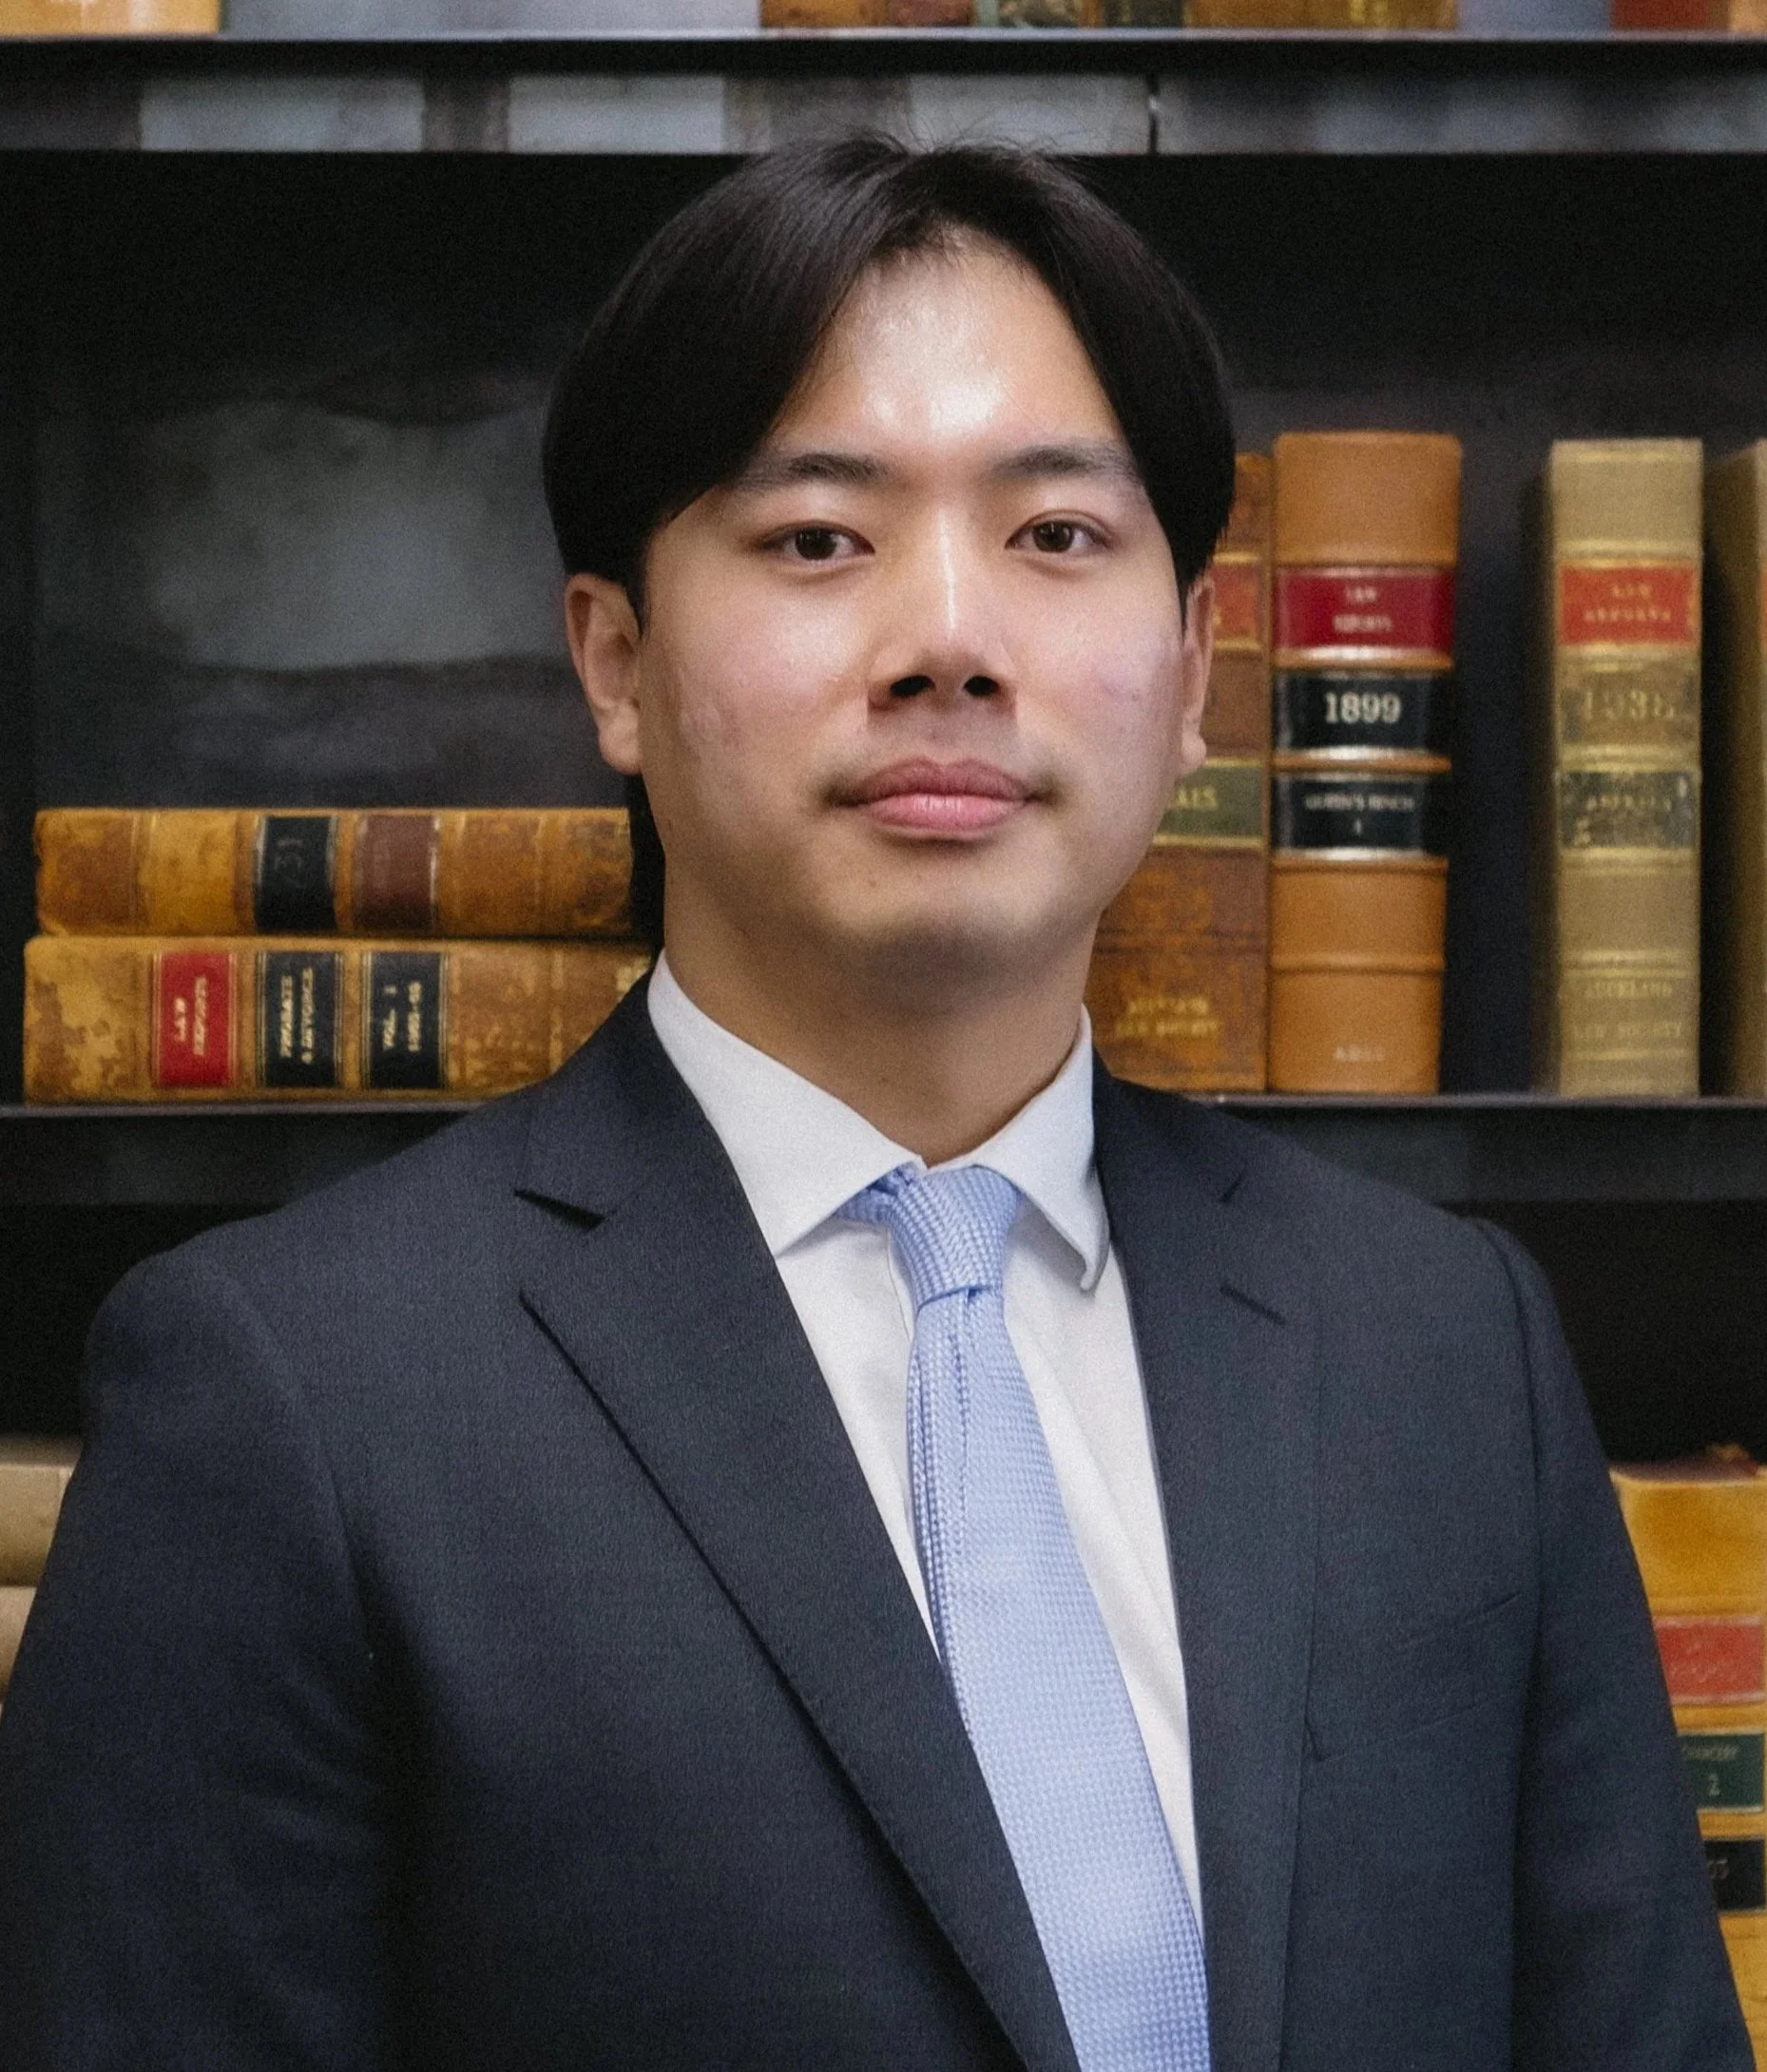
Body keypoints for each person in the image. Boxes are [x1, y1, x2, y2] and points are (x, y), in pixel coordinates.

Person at [0, 139, 1744, 2072]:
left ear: (1187, 675)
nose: (947, 639)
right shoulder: (291, 1401)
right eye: (818, 538)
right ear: (615, 659)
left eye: (1055, 536)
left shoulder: (1439, 1350)